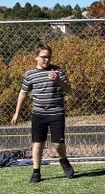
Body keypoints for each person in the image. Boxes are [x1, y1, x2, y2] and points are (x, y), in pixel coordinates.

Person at [11, 43, 75, 183]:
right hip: (38, 114)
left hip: (56, 112)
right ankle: (36, 172)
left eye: (49, 57)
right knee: (38, 143)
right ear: (36, 57)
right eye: (43, 57)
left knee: (58, 143)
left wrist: (57, 80)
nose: (46, 60)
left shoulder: (58, 71)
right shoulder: (30, 74)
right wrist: (17, 114)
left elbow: (68, 90)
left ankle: (64, 161)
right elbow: (22, 93)